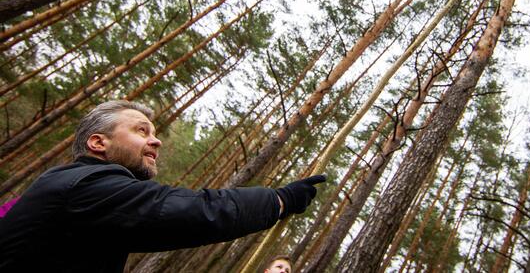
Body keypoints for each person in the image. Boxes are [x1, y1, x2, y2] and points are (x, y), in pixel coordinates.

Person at [0, 100, 326, 272]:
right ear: (98, 142)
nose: (155, 141)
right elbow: (195, 211)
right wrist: (280, 200)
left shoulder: (72, 187)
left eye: (154, 133)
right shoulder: (87, 186)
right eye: (142, 131)